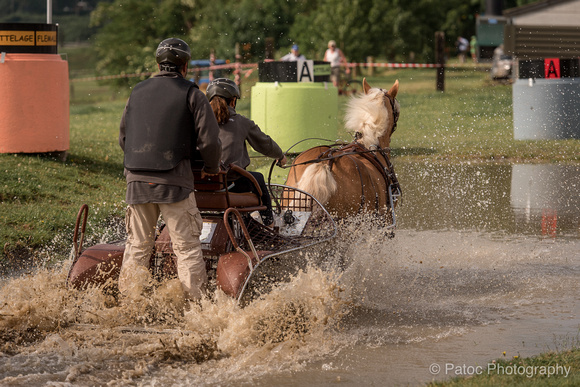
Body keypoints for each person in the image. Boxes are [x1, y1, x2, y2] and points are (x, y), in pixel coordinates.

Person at [118, 38, 222, 301]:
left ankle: (130, 304)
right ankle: (194, 309)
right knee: (186, 249)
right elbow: (210, 142)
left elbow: (123, 138)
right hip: (175, 183)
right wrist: (211, 167)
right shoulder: (193, 94)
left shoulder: (137, 91)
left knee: (137, 248)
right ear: (185, 65)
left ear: (158, 64)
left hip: (137, 182)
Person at [206, 78, 287, 227]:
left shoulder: (200, 121)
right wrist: (280, 156)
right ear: (233, 101)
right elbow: (265, 144)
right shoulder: (241, 122)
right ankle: (270, 224)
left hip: (202, 185)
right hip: (230, 184)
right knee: (258, 179)